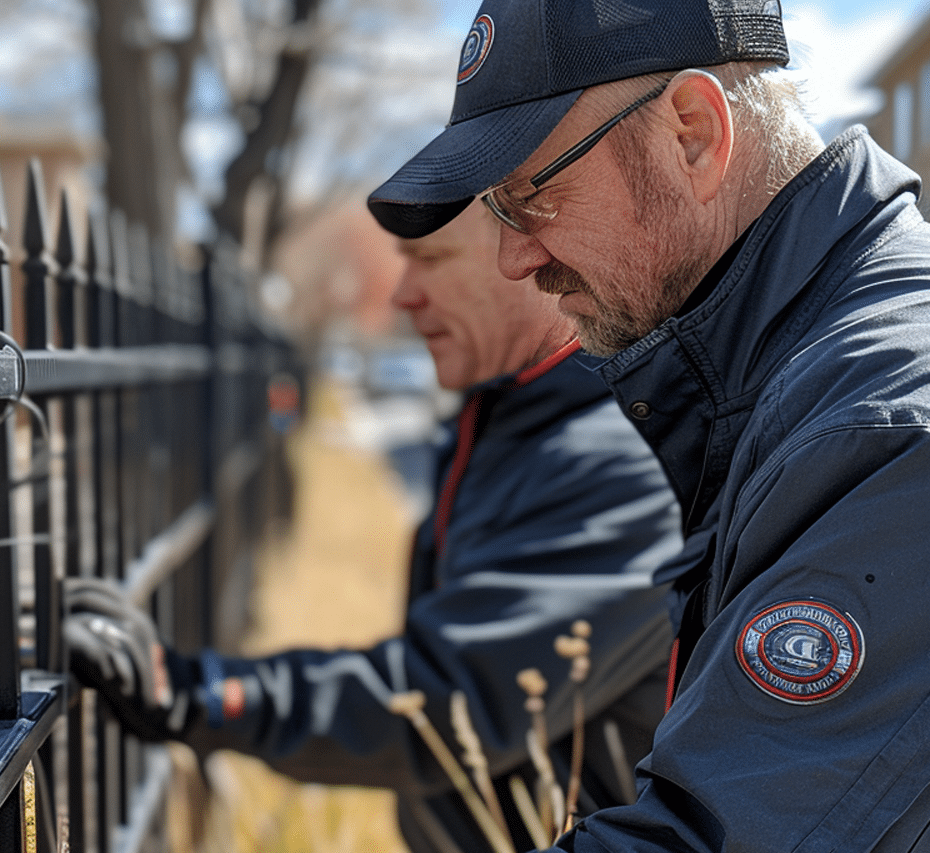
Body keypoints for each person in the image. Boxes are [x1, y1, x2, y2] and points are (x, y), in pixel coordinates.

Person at [367, 0, 930, 850]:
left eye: (528, 195)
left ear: (694, 135)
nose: (515, 259)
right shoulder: (791, 376)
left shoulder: (883, 423)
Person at [65, 201, 683, 853]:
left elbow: (448, 701)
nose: (403, 294)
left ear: (534, 263)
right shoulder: (507, 417)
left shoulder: (619, 459)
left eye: (432, 259)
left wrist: (201, 694)